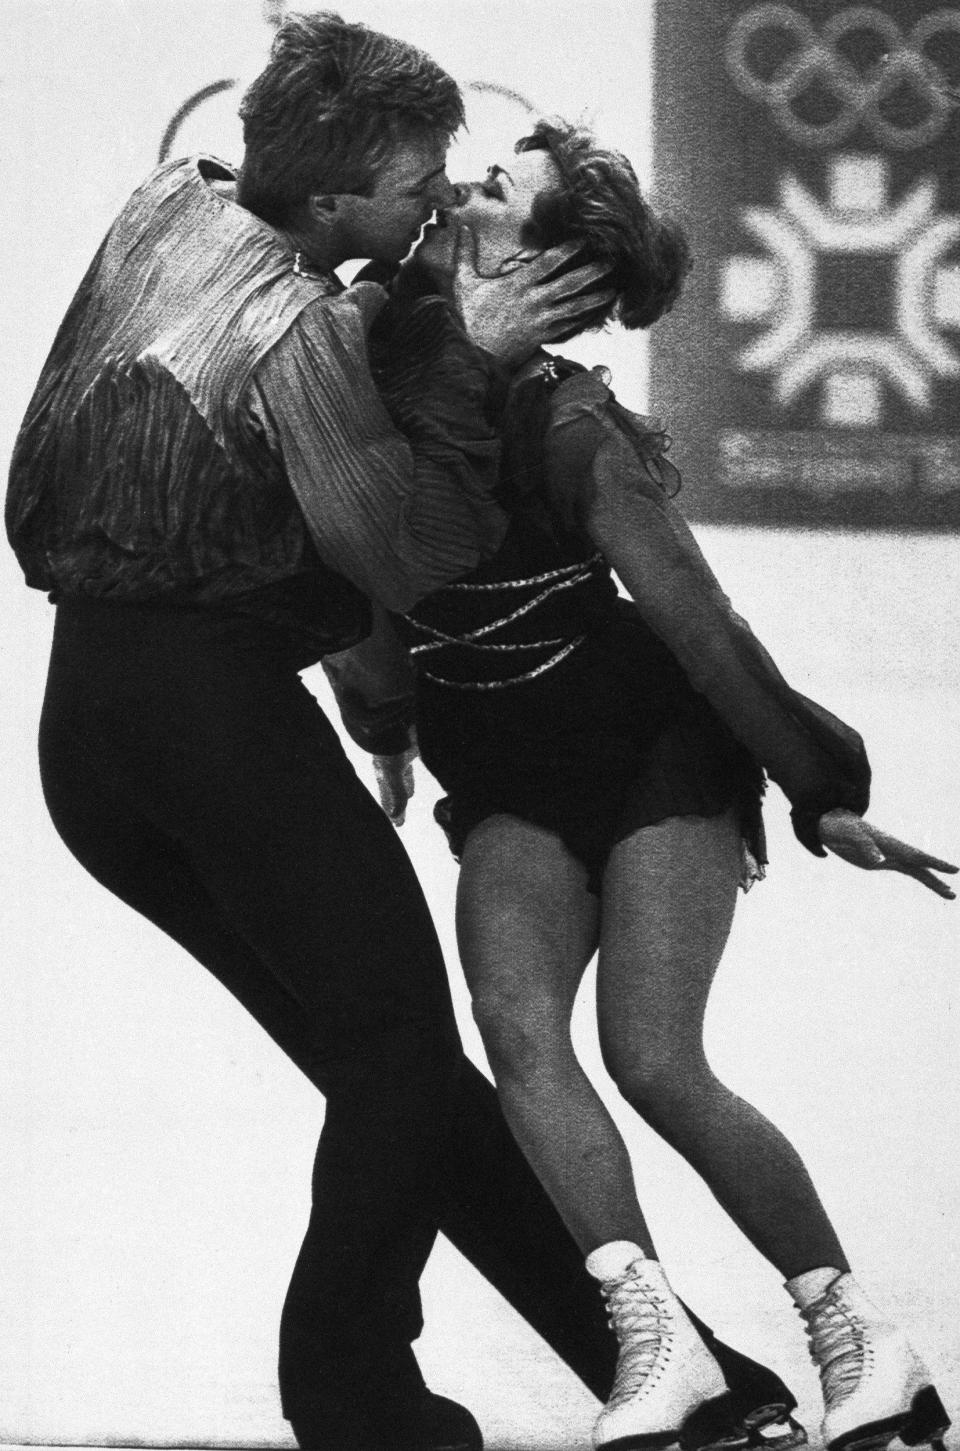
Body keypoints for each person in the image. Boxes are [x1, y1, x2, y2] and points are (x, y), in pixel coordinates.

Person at [3, 14, 809, 1451]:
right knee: (393, 1049)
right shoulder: (311, 327)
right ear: (324, 204)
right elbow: (416, 550)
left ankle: (665, 1370)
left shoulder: (168, 207)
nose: (440, 199)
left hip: (89, 737)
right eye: (416, 180)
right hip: (210, 726)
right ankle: (354, 1394)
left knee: (402, 1075)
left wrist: (376, 701)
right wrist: (472, 358)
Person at [326, 119, 958, 1451]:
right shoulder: (374, 358)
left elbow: (696, 623)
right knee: (517, 1032)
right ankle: (656, 1348)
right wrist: (380, 727)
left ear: (545, 266)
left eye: (498, 184)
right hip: (502, 764)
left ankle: (866, 1346)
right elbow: (356, 583)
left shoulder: (568, 423)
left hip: (647, 751)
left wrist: (816, 781)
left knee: (656, 1059)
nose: (461, 186)